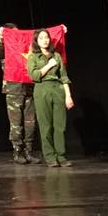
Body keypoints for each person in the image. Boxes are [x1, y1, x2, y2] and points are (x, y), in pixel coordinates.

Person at [26, 29, 74, 167]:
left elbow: (64, 77)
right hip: (42, 90)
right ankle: (50, 157)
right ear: (37, 41)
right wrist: (49, 65)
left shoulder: (57, 55)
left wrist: (68, 96)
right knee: (45, 126)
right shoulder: (33, 57)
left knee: (60, 126)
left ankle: (61, 156)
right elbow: (34, 75)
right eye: (41, 38)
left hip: (57, 89)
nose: (45, 40)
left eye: (46, 37)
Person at [0, 23, 38, 164]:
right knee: (16, 124)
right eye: (13, 34)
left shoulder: (25, 46)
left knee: (30, 122)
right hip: (13, 89)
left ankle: (29, 152)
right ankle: (17, 151)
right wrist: (1, 39)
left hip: (29, 88)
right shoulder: (7, 47)